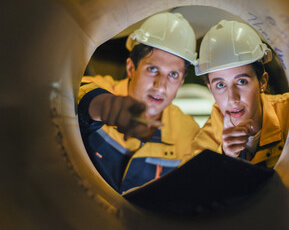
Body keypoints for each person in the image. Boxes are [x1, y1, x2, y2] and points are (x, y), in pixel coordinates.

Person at [78, 12, 199, 194]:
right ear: (131, 68)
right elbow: (78, 94)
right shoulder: (98, 89)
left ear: (181, 82)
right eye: (152, 69)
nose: (160, 86)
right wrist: (105, 107)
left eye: (173, 75)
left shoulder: (188, 133)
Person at [191, 20, 289, 168]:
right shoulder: (202, 147)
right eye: (220, 85)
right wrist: (225, 156)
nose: (232, 98)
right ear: (210, 90)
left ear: (262, 81)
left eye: (242, 82)